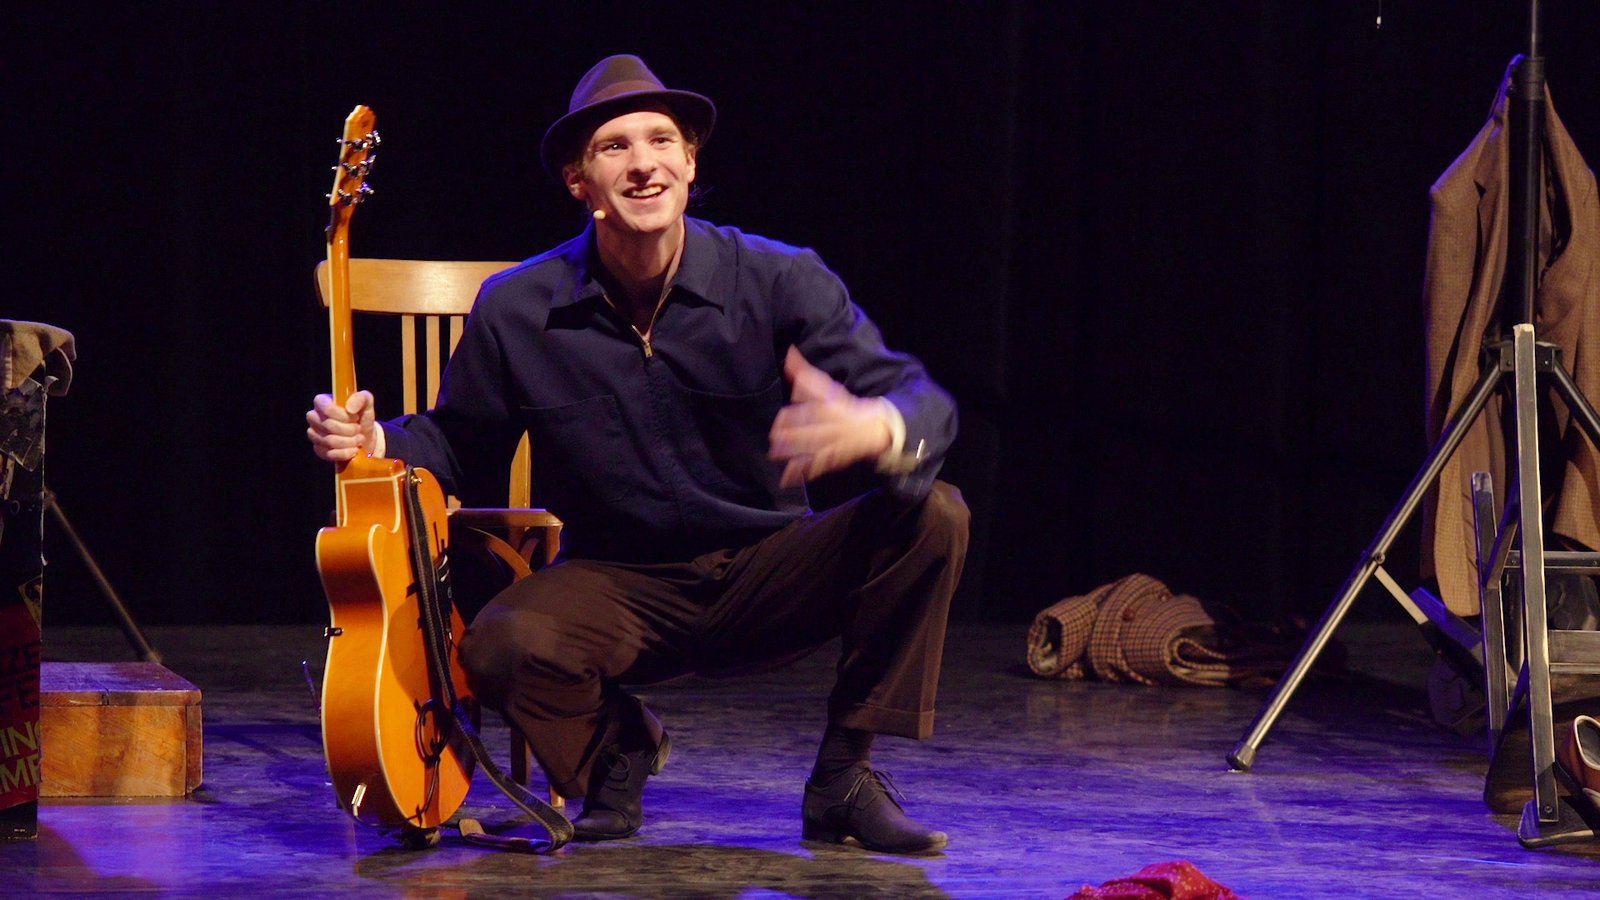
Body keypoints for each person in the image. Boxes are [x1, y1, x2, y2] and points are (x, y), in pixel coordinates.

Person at [305, 54, 967, 855]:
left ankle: (843, 777)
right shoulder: (519, 307)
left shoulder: (778, 278)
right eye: (614, 147)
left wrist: (882, 428)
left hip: (769, 569)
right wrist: (376, 440)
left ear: (690, 164)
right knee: (502, 643)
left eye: (661, 141)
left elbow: (924, 404)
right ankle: (619, 750)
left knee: (932, 511)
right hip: (619, 585)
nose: (644, 163)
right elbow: (459, 443)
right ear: (577, 179)